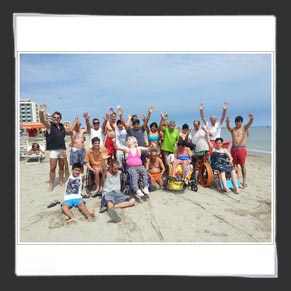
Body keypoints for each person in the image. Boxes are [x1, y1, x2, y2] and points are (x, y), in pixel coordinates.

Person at [39, 104, 70, 191]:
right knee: (52, 168)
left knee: (61, 167)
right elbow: (42, 120)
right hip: (54, 150)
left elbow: (69, 132)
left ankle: (60, 181)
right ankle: (51, 184)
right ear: (52, 118)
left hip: (62, 149)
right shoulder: (49, 126)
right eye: (55, 117)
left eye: (58, 117)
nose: (56, 119)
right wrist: (41, 112)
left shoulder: (62, 127)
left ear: (60, 119)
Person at [99, 159, 135, 223]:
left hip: (118, 194)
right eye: (115, 168)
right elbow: (104, 169)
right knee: (109, 203)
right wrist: (103, 160)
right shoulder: (106, 174)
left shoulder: (118, 172)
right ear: (110, 167)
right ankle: (111, 209)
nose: (116, 170)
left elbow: (122, 171)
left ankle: (111, 208)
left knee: (132, 201)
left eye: (117, 168)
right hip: (108, 193)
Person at [226, 114, 254, 188]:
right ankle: (235, 179)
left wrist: (251, 119)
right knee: (233, 165)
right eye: (237, 122)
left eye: (240, 122)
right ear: (235, 122)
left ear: (241, 122)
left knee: (242, 165)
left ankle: (244, 181)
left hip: (241, 149)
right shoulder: (233, 130)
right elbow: (228, 127)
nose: (238, 123)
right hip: (233, 149)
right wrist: (227, 122)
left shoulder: (244, 128)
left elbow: (249, 123)